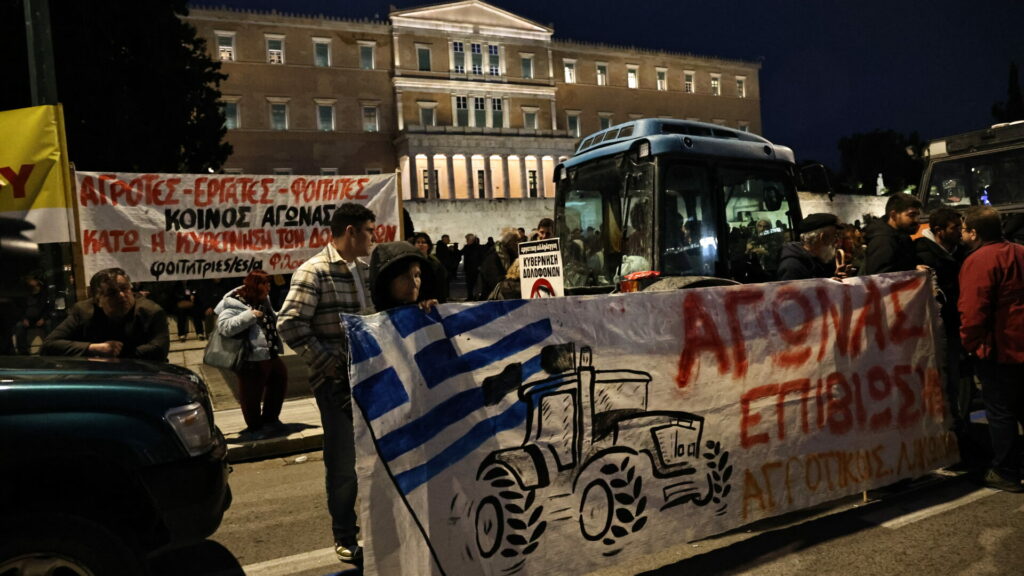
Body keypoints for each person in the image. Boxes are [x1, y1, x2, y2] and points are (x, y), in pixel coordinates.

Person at [277, 203, 375, 566]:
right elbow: (288, 323)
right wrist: (329, 363)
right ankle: (345, 536)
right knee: (344, 463)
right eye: (368, 231)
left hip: (372, 378)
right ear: (350, 232)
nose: (373, 238)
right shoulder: (313, 271)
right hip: (337, 385)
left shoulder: (366, 271)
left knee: (375, 459)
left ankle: (378, 531)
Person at [957, 206, 1024, 492]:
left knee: (1000, 411)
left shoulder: (979, 260)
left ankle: (1007, 471)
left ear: (973, 232)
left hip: (1001, 347)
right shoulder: (1020, 251)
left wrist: (969, 344)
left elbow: (973, 310)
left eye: (964, 229)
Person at [914, 208, 970, 447]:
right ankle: (949, 436)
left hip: (959, 323)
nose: (960, 232)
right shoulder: (920, 253)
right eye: (955, 228)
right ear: (939, 231)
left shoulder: (961, 251)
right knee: (945, 380)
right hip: (937, 327)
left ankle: (961, 428)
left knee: (960, 380)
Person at [215, 270, 288, 440]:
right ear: (256, 285)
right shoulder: (234, 302)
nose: (269, 287)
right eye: (265, 283)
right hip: (250, 357)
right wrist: (249, 315)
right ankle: (255, 427)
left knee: (279, 379)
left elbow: (269, 317)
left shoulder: (263, 299)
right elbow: (225, 327)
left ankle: (270, 419)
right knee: (251, 393)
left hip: (268, 352)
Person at [42, 268, 170, 362]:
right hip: (99, 378)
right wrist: (93, 348)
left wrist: (115, 353)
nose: (121, 296)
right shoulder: (84, 311)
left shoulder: (151, 311)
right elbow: (49, 345)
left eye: (124, 288)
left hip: (143, 374)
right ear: (98, 300)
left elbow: (159, 350)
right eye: (112, 292)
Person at [369, 241, 439, 312]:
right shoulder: (368, 321)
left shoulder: (426, 311)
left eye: (416, 275)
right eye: (405, 277)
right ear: (385, 282)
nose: (414, 283)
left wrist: (436, 315)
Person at [862, 194, 923, 274]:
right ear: (893, 215)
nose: (916, 220)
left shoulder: (899, 236)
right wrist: (913, 272)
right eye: (911, 215)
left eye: (917, 215)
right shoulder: (883, 240)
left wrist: (914, 268)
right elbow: (881, 279)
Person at [776, 213, 842, 281]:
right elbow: (793, 291)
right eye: (835, 236)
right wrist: (825, 285)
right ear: (823, 237)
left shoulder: (820, 258)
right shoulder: (792, 267)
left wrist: (836, 277)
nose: (837, 241)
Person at [475, 230, 519, 300]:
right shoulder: (493, 257)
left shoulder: (511, 255)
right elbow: (495, 280)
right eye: (515, 241)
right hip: (491, 298)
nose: (517, 244)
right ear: (508, 242)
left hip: (504, 297)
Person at [14, 275, 52, 355]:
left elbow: (48, 308)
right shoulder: (24, 294)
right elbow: (19, 309)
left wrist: (43, 318)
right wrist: (23, 319)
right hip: (27, 319)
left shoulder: (43, 294)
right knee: (19, 326)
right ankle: (23, 352)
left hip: (40, 319)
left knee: (49, 324)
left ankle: (50, 348)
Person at [412, 231, 449, 302]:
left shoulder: (435, 263)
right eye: (418, 242)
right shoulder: (410, 262)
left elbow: (441, 285)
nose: (420, 244)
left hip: (431, 300)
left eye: (423, 242)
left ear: (428, 245)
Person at [460, 233, 485, 301]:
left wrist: (480, 266)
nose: (466, 241)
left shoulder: (478, 247)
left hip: (476, 269)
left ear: (472, 240)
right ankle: (470, 296)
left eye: (467, 240)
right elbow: (460, 253)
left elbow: (482, 257)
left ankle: (477, 296)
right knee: (469, 284)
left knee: (477, 284)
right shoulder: (467, 247)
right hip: (469, 268)